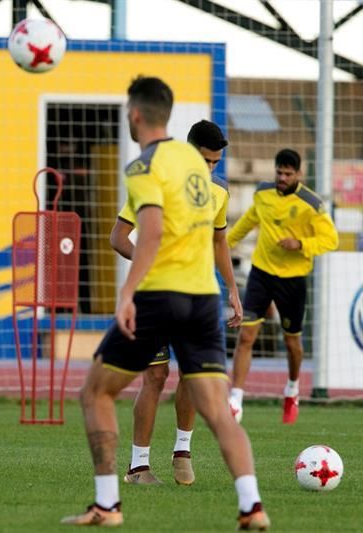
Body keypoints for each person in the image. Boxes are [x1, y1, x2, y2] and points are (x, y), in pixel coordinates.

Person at [61, 77, 269, 530]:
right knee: (216, 407)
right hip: (203, 301)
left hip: (161, 295)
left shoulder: (144, 167)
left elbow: (149, 232)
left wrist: (128, 291)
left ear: (135, 115)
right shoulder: (196, 167)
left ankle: (107, 505)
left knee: (95, 392)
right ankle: (252, 506)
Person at [109, 120, 242, 486]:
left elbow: (219, 242)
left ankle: (182, 452)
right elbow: (119, 237)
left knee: (193, 375)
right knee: (155, 376)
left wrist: (232, 288)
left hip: (196, 297)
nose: (209, 168)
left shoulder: (218, 192)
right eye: (204, 160)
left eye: (216, 163)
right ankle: (138, 467)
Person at [227, 149, 338, 424]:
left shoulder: (311, 203)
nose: (282, 177)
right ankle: (235, 400)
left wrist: (300, 244)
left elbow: (331, 239)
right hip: (261, 274)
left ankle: (292, 389)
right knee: (246, 336)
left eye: (288, 173)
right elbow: (247, 222)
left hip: (292, 280)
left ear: (298, 174)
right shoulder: (262, 194)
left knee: (292, 344)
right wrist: (223, 244)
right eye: (279, 172)